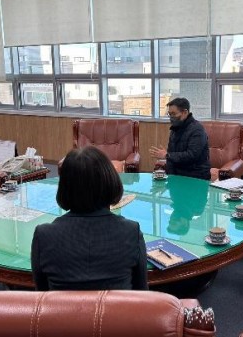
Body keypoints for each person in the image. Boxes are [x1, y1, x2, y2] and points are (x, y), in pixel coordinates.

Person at [31, 146, 148, 291]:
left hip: (64, 307)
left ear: (64, 186)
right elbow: (141, 293)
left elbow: (41, 296)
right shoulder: (131, 232)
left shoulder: (43, 235)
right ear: (110, 181)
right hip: (117, 307)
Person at [149, 97, 211, 180]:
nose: (171, 117)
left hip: (195, 177)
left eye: (174, 114)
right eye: (169, 114)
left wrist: (167, 155)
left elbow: (192, 155)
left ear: (185, 112)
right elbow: (172, 157)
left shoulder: (197, 129)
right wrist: (167, 177)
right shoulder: (175, 128)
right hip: (176, 175)